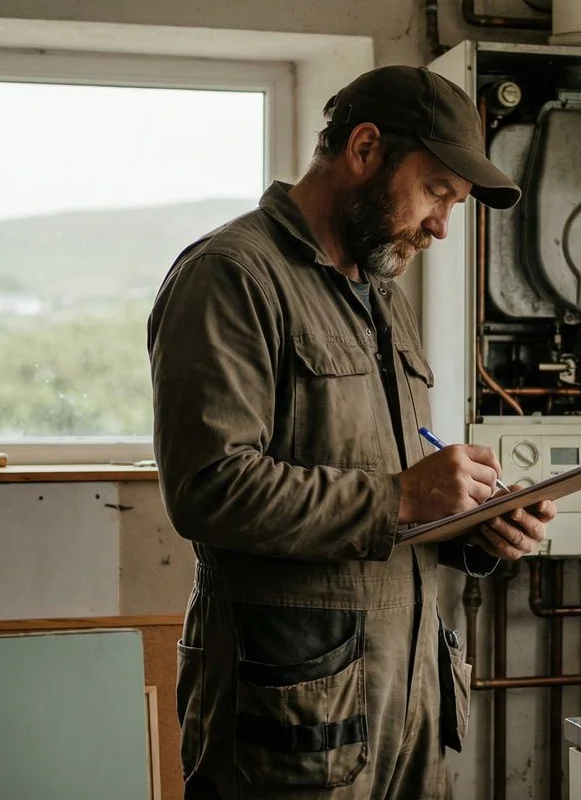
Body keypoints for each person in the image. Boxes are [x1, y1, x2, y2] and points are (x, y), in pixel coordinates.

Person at [147, 64, 557, 799]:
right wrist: (402, 496)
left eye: (454, 204)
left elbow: (394, 490)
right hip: (290, 720)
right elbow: (208, 490)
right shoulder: (232, 276)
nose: (440, 225)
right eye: (436, 191)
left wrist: (474, 523)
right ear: (364, 149)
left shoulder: (380, 294)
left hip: (407, 706)